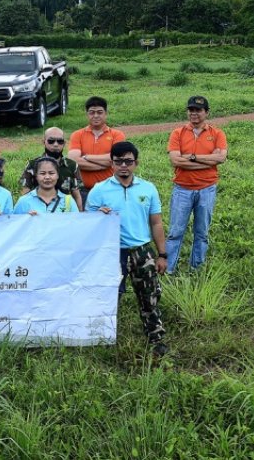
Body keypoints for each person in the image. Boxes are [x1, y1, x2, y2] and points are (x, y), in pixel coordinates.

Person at [86, 141, 168, 356]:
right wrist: (97, 216)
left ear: (136, 163)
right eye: (119, 161)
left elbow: (156, 223)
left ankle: (156, 337)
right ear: (111, 164)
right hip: (113, 252)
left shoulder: (148, 188)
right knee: (110, 296)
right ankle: (102, 336)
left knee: (149, 295)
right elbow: (88, 225)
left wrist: (162, 254)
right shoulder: (99, 190)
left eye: (128, 161)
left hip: (142, 250)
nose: (124, 166)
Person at [165, 95, 228, 274]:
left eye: (198, 110)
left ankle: (196, 268)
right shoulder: (177, 133)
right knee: (175, 232)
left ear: (206, 113)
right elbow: (175, 160)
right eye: (191, 110)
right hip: (182, 189)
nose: (194, 113)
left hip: (207, 189)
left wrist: (191, 157)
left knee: (202, 232)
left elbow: (221, 158)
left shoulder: (217, 134)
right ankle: (169, 269)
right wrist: (208, 161)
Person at [68, 96, 126, 200]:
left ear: (106, 113)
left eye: (99, 112)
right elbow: (73, 161)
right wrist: (105, 165)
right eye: (92, 112)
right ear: (87, 114)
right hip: (83, 191)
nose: (95, 116)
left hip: (111, 190)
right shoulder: (77, 135)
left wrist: (87, 157)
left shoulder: (117, 135)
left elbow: (116, 159)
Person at [20, 127, 85, 210]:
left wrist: (79, 214)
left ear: (64, 143)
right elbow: (25, 192)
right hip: (38, 210)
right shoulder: (32, 164)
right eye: (51, 141)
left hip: (63, 210)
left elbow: (77, 195)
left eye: (60, 141)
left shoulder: (72, 165)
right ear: (44, 142)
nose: (55, 144)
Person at [14, 155, 79, 215]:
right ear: (36, 176)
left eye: (51, 173)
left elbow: (76, 222)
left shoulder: (68, 201)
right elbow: (15, 222)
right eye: (42, 173)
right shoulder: (24, 201)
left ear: (57, 175)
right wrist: (27, 218)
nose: (47, 177)